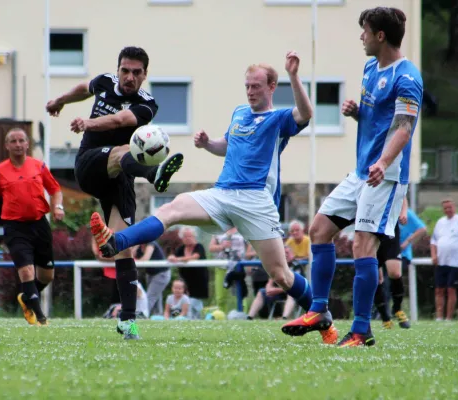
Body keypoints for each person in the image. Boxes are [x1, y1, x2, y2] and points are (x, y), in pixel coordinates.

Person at [91, 51, 315, 337]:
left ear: (272, 87)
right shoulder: (239, 113)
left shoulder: (278, 119)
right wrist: (209, 144)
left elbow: (306, 114)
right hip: (222, 193)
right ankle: (117, 241)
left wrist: (294, 76)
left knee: (281, 276)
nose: (250, 91)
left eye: (256, 86)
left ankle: (320, 313)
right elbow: (228, 145)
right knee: (174, 207)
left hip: (255, 201)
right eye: (247, 85)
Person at [282, 7, 423, 347]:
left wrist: (383, 162)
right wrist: (359, 114)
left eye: (365, 30)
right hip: (361, 171)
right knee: (319, 229)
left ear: (380, 36)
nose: (360, 36)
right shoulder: (370, 67)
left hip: (385, 176)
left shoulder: (408, 77)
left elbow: (404, 129)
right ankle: (319, 311)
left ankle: (361, 330)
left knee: (363, 243)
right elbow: (380, 121)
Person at [47, 46, 183, 340]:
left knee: (124, 248)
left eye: (136, 72)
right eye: (125, 70)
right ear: (118, 69)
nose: (129, 77)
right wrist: (60, 100)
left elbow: (122, 121)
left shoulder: (147, 105)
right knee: (126, 150)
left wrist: (88, 122)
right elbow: (85, 88)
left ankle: (128, 321)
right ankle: (154, 172)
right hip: (90, 165)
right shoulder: (105, 82)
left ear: (145, 75)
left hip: (120, 177)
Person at [0, 128, 64, 326]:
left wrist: (58, 207)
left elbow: (55, 190)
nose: (18, 144)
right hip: (15, 227)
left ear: (28, 144)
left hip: (39, 224)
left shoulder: (39, 166)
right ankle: (40, 318)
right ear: (7, 146)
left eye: (21, 140)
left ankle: (27, 297)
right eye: (13, 141)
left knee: (47, 275)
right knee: (26, 271)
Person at [374, 199, 426, 329]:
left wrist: (403, 212)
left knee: (395, 273)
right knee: (377, 278)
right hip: (372, 230)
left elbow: (402, 195)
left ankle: (397, 309)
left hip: (391, 229)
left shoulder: (392, 180)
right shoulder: (364, 181)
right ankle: (384, 316)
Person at [430, 199, 458, 321]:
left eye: (450, 207)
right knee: (439, 289)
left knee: (451, 289)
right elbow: (434, 241)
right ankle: (439, 317)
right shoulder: (440, 222)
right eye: (445, 208)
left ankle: (449, 317)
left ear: (454, 207)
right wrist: (434, 255)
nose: (448, 210)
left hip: (456, 262)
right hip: (442, 261)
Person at [169, 226, 208, 318]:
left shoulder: (199, 247)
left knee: (196, 303)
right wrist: (172, 258)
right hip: (185, 280)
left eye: (190, 236)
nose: (188, 238)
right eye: (186, 236)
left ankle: (199, 319)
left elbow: (195, 256)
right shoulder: (181, 249)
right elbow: (172, 257)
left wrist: (178, 259)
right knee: (186, 302)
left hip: (199, 280)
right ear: (182, 238)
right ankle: (186, 318)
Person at [209, 227, 247, 311]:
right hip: (221, 266)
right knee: (221, 297)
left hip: (238, 267)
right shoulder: (218, 229)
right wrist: (222, 246)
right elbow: (211, 248)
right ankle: (222, 318)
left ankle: (243, 316)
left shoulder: (243, 227)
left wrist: (248, 261)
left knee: (241, 294)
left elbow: (250, 246)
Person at [134, 241, 169, 316]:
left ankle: (142, 315)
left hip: (161, 274)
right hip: (150, 274)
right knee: (156, 298)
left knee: (150, 297)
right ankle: (159, 316)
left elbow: (145, 260)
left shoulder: (151, 243)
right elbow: (131, 256)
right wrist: (136, 245)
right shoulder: (138, 245)